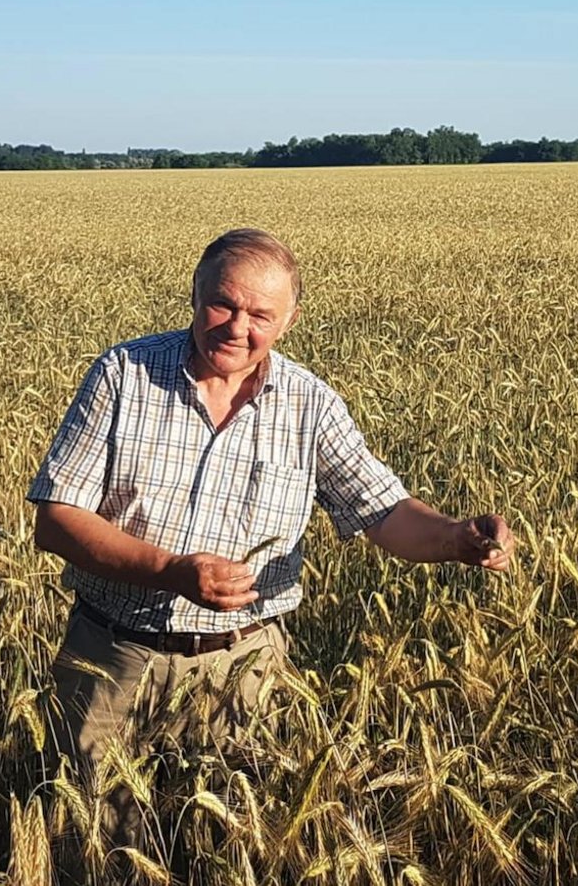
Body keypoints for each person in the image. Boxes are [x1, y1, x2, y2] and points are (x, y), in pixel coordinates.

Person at [26, 227, 514, 871]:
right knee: (93, 848)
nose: (237, 327)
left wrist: (455, 537)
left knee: (228, 854)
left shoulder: (310, 404)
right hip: (114, 660)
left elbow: (383, 510)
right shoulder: (124, 374)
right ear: (194, 295)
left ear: (289, 320)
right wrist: (172, 571)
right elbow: (58, 519)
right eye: (223, 304)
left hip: (244, 671)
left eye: (260, 314)